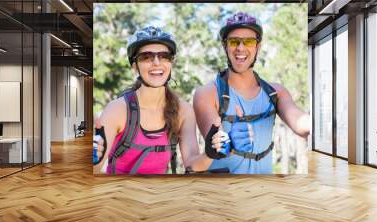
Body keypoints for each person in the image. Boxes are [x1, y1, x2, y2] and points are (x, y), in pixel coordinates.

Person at [193, 12, 310, 174]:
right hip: (222, 193)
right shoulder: (207, 93)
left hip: (263, 191)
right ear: (225, 46)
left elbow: (302, 124)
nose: (240, 48)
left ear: (258, 47)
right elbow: (214, 143)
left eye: (248, 41)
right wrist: (227, 141)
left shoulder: (276, 92)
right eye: (234, 41)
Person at [93, 26, 213, 175]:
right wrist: (94, 159)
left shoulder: (184, 111)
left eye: (164, 56)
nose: (156, 62)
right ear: (135, 66)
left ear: (171, 63)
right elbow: (94, 170)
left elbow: (191, 165)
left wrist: (210, 153)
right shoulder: (117, 110)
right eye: (146, 57)